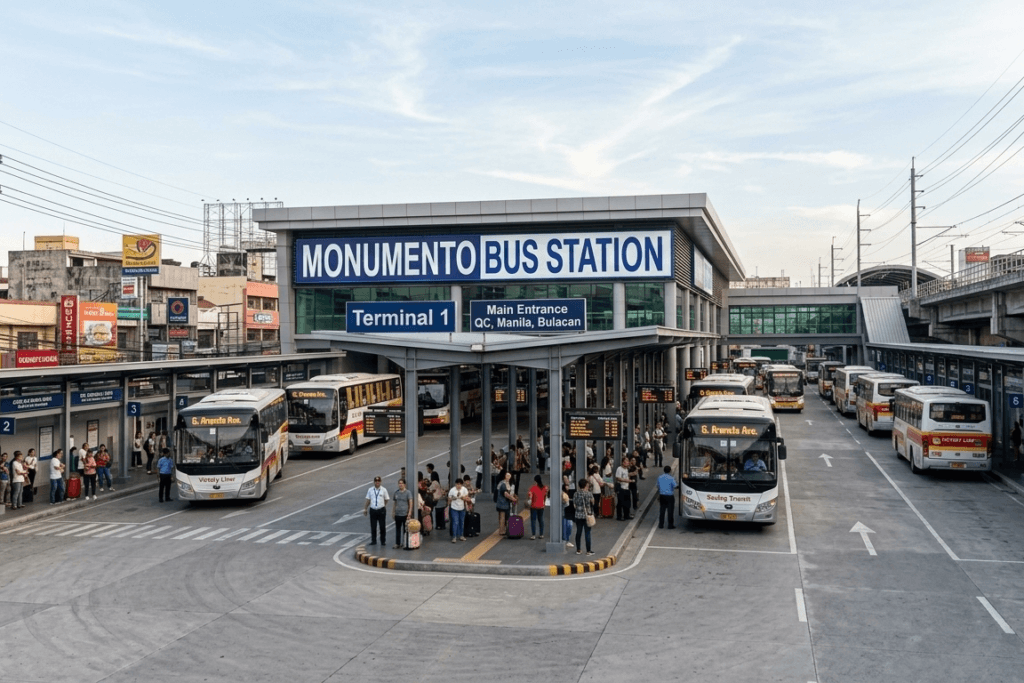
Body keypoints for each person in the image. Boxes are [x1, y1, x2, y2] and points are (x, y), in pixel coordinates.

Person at [363, 476, 390, 546]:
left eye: (378, 481)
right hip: (373, 510)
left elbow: (387, 499)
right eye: (376, 481)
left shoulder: (384, 490)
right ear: (374, 482)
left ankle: (383, 541)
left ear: (380, 482)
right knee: (373, 526)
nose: (377, 482)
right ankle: (373, 540)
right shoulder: (370, 490)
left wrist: (382, 505)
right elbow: (368, 500)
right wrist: (365, 508)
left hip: (381, 510)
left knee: (382, 526)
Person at [573, 478, 595, 556]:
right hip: (587, 516)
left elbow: (574, 504)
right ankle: (588, 551)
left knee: (578, 532)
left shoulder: (576, 494)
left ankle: (578, 550)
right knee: (587, 533)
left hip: (578, 515)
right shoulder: (589, 494)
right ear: (586, 485)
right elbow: (593, 502)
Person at [391, 478, 413, 549]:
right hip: (398, 514)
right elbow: (395, 503)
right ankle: (397, 543)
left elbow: (410, 503)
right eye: (399, 483)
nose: (400, 484)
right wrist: (393, 512)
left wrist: (409, 513)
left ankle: (405, 543)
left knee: (405, 530)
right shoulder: (396, 493)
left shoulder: (408, 493)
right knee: (397, 529)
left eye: (401, 483)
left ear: (404, 484)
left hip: (405, 514)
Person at [447, 478, 470, 542]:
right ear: (455, 484)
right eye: (457, 484)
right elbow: (448, 499)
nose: (459, 486)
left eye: (460, 484)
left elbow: (467, 498)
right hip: (454, 508)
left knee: (461, 522)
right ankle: (454, 537)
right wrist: (451, 499)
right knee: (455, 522)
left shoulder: (464, 490)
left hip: (462, 508)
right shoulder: (452, 490)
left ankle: (461, 535)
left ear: (462, 484)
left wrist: (463, 498)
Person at [527, 474, 548, 540]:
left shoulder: (533, 488)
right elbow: (545, 496)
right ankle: (541, 534)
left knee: (533, 520)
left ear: (535, 480)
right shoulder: (544, 487)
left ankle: (533, 535)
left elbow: (529, 496)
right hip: (541, 506)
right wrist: (544, 504)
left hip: (534, 506)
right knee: (541, 520)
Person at [495, 469, 515, 536]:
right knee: (502, 517)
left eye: (509, 475)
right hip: (502, 503)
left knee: (503, 517)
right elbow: (505, 493)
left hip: (504, 503)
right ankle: (502, 530)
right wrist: (512, 498)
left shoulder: (505, 483)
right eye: (507, 475)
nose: (509, 477)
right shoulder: (503, 484)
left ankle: (503, 529)